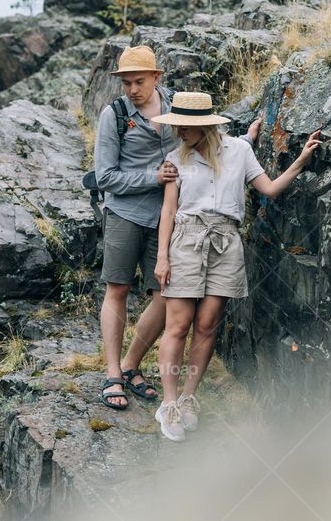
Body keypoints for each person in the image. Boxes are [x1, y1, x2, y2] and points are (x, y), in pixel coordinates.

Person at [93, 46, 260, 410]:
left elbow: (208, 139)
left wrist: (246, 142)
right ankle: (112, 374)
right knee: (117, 289)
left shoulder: (178, 105)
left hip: (173, 219)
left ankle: (131, 365)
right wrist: (152, 177)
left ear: (157, 77)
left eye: (139, 81)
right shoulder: (114, 115)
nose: (132, 89)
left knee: (164, 296)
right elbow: (104, 176)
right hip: (126, 212)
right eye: (126, 83)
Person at [151, 91, 321, 441]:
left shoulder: (240, 151)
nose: (179, 132)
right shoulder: (174, 159)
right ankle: (168, 404)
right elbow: (168, 211)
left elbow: (269, 189)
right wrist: (162, 257)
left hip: (226, 242)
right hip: (186, 239)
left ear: (204, 125)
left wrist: (301, 161)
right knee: (178, 326)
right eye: (176, 126)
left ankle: (188, 398)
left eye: (185, 126)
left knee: (207, 325)